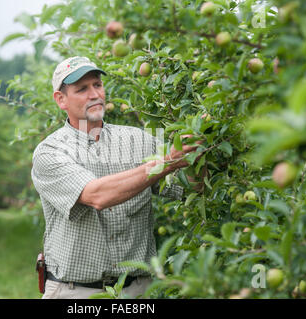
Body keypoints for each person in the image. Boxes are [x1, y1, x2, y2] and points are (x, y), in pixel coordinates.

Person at [31, 56, 201, 299]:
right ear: (61, 100)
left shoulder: (139, 141)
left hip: (138, 290)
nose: (94, 94)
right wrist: (168, 161)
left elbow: (191, 186)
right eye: (82, 89)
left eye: (97, 85)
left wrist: (203, 149)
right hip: (76, 292)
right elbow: (97, 195)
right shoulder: (50, 152)